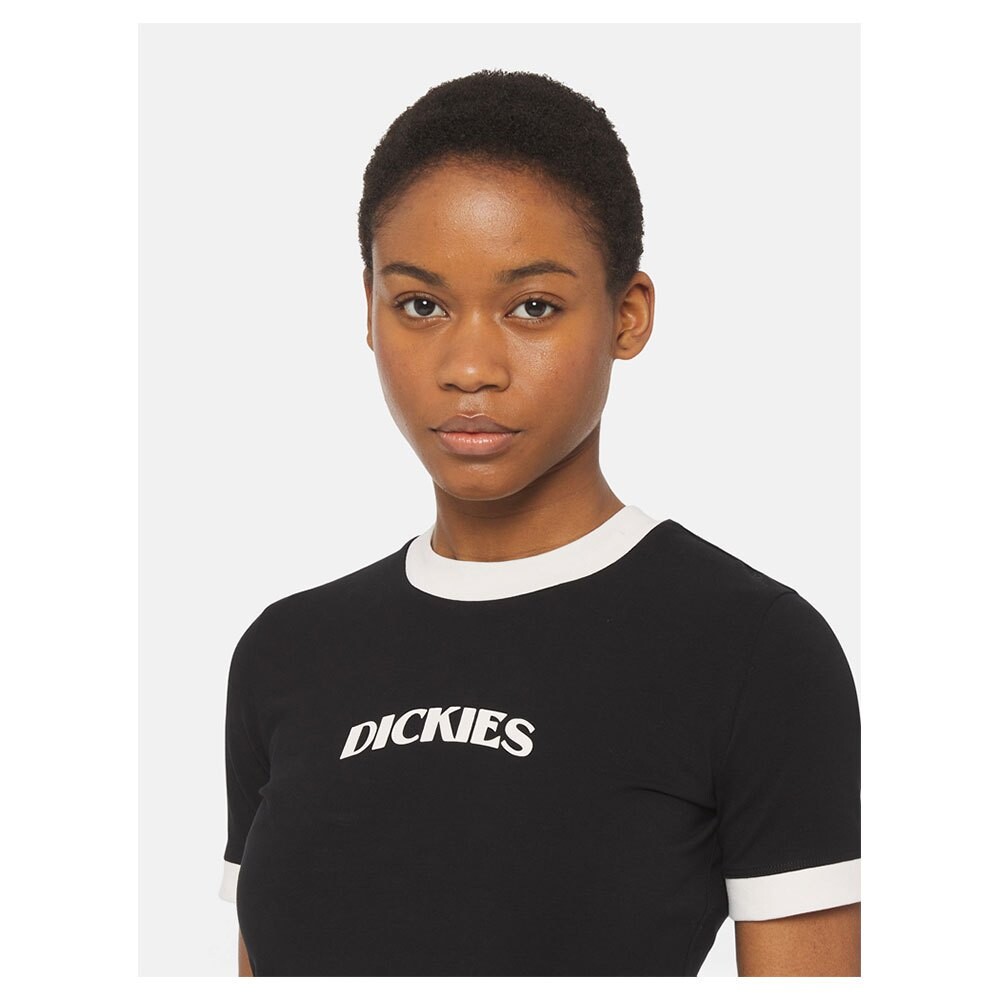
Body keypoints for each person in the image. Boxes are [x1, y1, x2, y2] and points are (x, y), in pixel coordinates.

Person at [218, 68, 861, 977]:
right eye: (421, 305)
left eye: (533, 307)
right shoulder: (284, 653)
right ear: (369, 311)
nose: (470, 366)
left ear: (627, 317)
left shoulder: (752, 652)